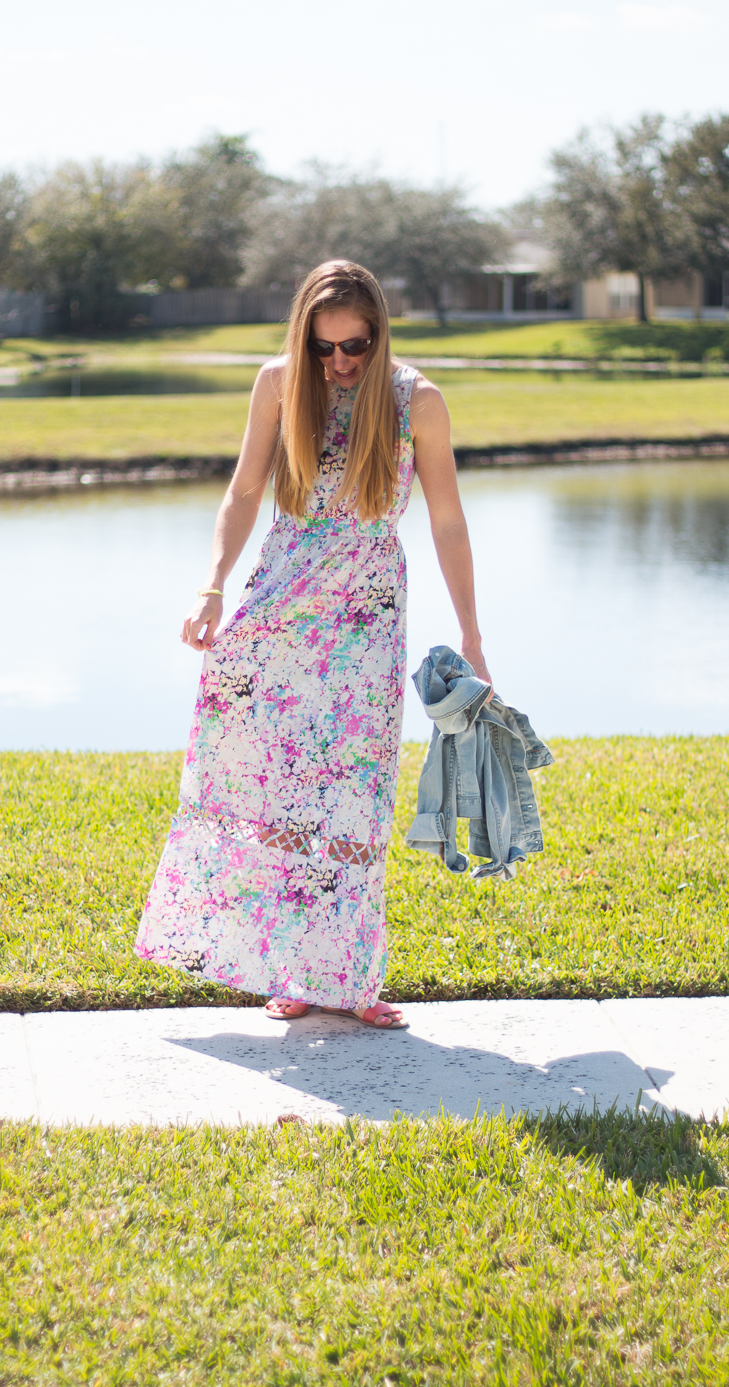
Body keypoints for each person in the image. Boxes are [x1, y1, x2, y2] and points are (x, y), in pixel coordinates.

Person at [134, 260, 491, 1030]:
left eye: (356, 346)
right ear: (304, 340)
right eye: (325, 349)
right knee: (275, 786)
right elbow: (243, 491)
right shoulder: (277, 384)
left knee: (353, 795)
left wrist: (471, 634)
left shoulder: (414, 402)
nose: (341, 364)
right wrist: (213, 584)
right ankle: (292, 968)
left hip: (365, 618)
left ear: (378, 333)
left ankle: (352, 977)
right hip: (281, 602)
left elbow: (449, 521)